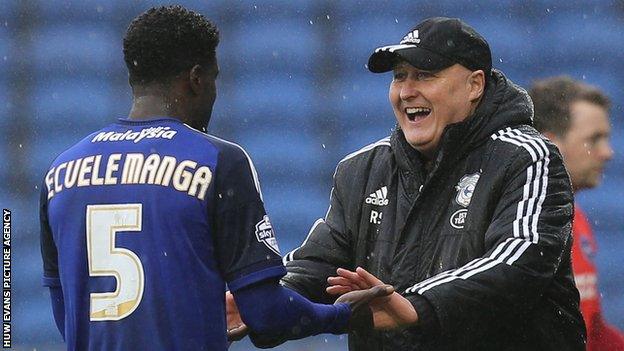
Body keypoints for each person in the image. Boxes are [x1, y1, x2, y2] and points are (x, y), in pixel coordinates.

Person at [39, 6, 391, 351]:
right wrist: (342, 315)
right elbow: (266, 313)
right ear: (196, 79)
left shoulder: (60, 172)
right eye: (213, 78)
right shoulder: (219, 161)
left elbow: (68, 314)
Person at [229, 17, 587, 350]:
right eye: (400, 77)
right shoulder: (362, 170)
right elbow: (321, 264)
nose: (407, 91)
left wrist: (418, 307)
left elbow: (517, 263)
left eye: (425, 75)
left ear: (474, 84)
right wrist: (263, 298)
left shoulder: (526, 156)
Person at [529, 76, 624, 351]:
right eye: (594, 139)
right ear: (550, 144)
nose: (607, 153)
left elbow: (592, 328)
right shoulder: (518, 227)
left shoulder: (575, 216)